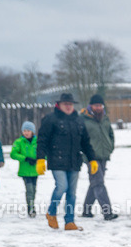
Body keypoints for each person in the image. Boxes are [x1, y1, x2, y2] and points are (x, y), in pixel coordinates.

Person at [37, 92, 98, 231]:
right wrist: (40, 158)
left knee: (72, 193)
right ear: (59, 105)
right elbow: (42, 140)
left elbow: (86, 142)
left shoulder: (78, 120)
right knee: (61, 187)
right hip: (57, 160)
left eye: (70, 104)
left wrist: (92, 159)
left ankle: (69, 221)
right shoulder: (50, 119)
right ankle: (51, 212)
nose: (69, 107)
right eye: (66, 104)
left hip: (74, 161)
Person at [80, 93, 118, 221]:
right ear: (91, 106)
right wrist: (85, 155)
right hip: (91, 157)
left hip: (103, 155)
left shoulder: (105, 118)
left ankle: (86, 210)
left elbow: (111, 134)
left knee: (95, 183)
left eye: (100, 105)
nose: (98, 108)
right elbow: (81, 139)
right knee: (99, 183)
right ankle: (108, 212)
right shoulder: (83, 119)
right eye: (96, 105)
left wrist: (110, 147)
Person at [11, 121, 39, 217]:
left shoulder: (37, 142)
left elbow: (45, 153)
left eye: (28, 130)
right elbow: (13, 154)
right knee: (29, 189)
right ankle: (30, 208)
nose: (26, 132)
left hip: (35, 170)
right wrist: (25, 158)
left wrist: (39, 158)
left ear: (32, 132)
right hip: (25, 170)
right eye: (24, 130)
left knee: (34, 189)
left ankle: (32, 205)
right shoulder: (19, 142)